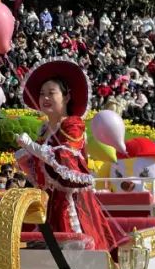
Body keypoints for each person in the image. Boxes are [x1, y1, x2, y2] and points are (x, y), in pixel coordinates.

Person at [15, 59, 117, 251]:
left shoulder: (73, 125)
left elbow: (64, 161)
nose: (45, 98)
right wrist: (24, 157)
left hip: (71, 205)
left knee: (72, 251)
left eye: (51, 93)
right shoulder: (44, 130)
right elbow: (41, 172)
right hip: (47, 204)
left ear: (66, 97)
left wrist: (31, 147)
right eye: (42, 94)